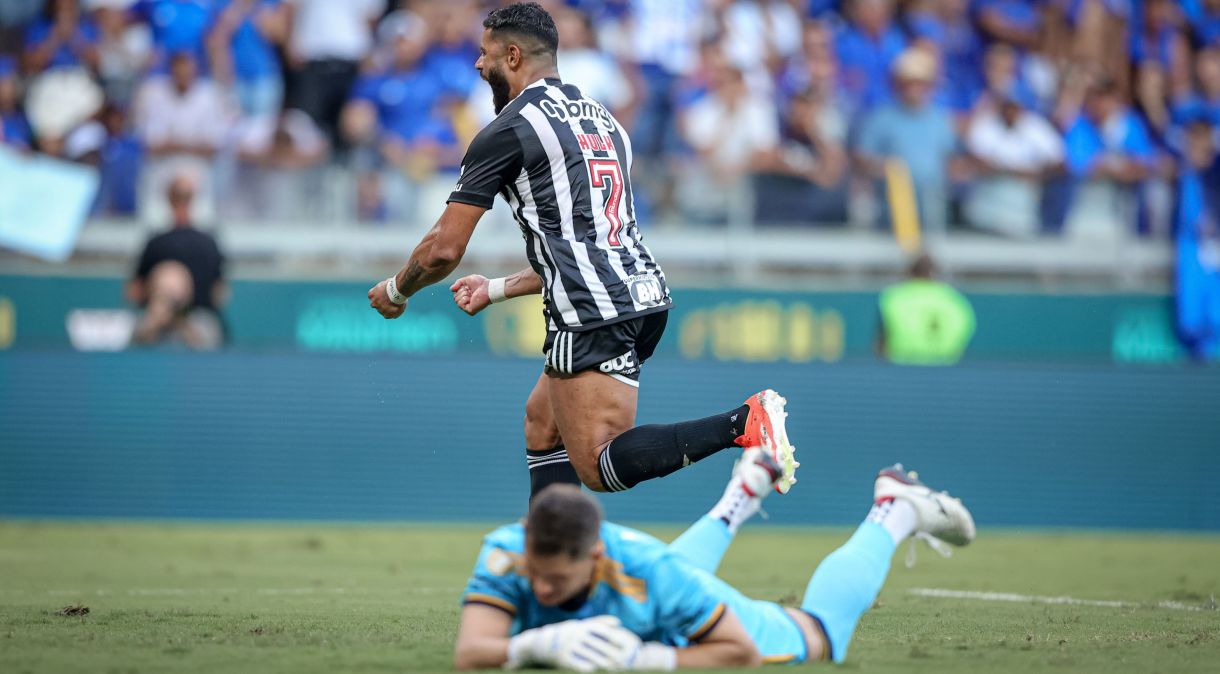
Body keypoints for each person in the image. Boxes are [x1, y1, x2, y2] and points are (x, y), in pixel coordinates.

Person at [366, 2, 796, 499]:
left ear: (511, 56)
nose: (477, 65)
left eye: (484, 54)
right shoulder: (604, 122)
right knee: (541, 425)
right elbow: (580, 243)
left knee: (598, 465)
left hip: (592, 311)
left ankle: (743, 422)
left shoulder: (509, 129)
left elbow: (443, 249)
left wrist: (398, 290)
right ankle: (552, 559)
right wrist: (497, 288)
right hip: (639, 293)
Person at [453, 449, 975, 670]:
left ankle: (894, 510)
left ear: (593, 556)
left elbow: (741, 653)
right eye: (536, 576)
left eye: (557, 581)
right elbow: (470, 651)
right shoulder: (504, 551)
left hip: (683, 611)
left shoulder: (650, 572)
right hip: (656, 593)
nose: (541, 591)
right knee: (663, 591)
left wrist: (648, 661)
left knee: (816, 636)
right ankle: (742, 493)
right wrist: (531, 644)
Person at [126, 173, 226, 349]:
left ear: (169, 199)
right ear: (193, 200)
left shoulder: (156, 243)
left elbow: (134, 291)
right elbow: (219, 294)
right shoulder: (208, 243)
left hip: (187, 326)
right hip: (180, 323)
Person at [876, 253, 976, 366]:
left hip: (902, 367)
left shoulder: (893, 297)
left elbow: (882, 342)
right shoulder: (955, 300)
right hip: (946, 369)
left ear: (910, 272)